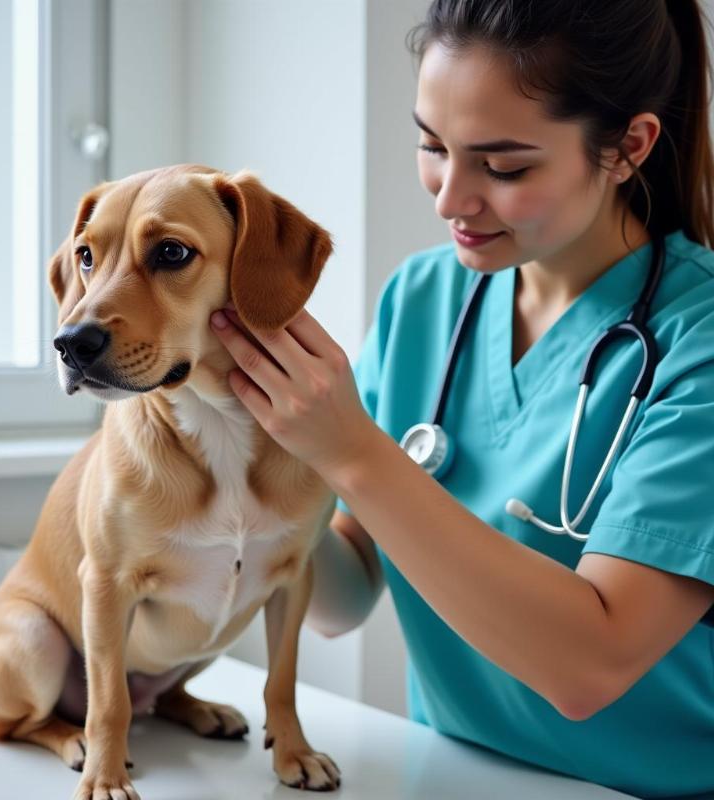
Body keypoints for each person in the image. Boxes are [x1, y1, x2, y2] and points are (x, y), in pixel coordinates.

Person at [209, 1, 714, 797]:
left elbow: (591, 665)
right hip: (455, 775)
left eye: (504, 166)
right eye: (432, 145)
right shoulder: (425, 298)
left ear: (628, 147)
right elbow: (341, 594)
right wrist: (244, 436)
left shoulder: (701, 340)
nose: (450, 198)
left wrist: (350, 450)